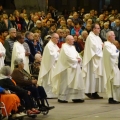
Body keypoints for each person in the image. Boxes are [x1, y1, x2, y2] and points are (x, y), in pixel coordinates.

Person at [52, 35, 85, 103]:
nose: (73, 40)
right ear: (67, 40)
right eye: (72, 39)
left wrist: (79, 58)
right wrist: (76, 60)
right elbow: (67, 57)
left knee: (76, 82)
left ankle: (76, 97)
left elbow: (77, 54)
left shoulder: (72, 47)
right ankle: (62, 98)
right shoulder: (64, 47)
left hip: (75, 67)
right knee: (65, 83)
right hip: (67, 68)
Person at [82, 23, 105, 99]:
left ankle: (95, 92)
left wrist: (103, 46)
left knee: (96, 77)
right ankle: (88, 91)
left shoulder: (97, 37)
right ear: (93, 29)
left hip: (97, 59)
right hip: (92, 60)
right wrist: (101, 46)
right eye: (98, 28)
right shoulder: (90, 37)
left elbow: (101, 45)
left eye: (99, 28)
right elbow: (94, 48)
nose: (99, 30)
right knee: (92, 76)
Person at [37, 33, 60, 98]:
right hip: (49, 66)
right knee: (49, 80)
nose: (58, 40)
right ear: (52, 38)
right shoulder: (49, 45)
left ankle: (54, 93)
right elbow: (52, 56)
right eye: (56, 38)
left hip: (54, 65)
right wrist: (58, 52)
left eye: (58, 38)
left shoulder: (54, 45)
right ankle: (48, 94)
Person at [103, 31, 120, 104]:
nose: (114, 36)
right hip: (111, 67)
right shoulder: (106, 45)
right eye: (113, 35)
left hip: (115, 66)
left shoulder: (112, 45)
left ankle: (116, 98)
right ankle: (112, 98)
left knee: (116, 82)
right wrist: (118, 52)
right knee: (112, 81)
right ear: (109, 37)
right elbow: (112, 55)